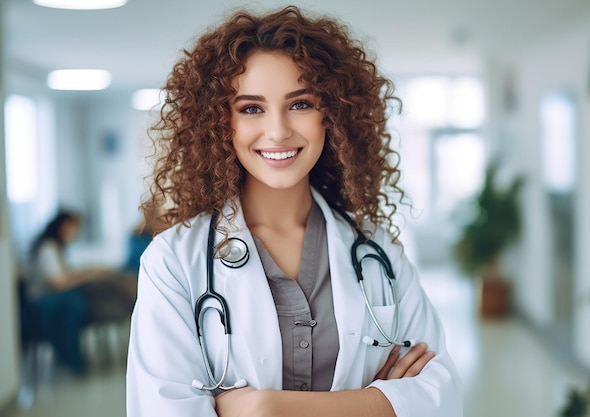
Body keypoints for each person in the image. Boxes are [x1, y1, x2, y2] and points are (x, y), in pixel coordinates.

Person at [127, 5, 462, 417]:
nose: (278, 130)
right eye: (251, 108)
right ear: (219, 123)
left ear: (332, 114)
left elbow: (440, 396)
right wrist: (378, 402)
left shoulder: (378, 251)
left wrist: (263, 407)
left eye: (300, 104)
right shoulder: (175, 261)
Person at [26, 211, 109, 373]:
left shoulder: (56, 248)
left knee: (82, 297)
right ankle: (71, 358)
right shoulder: (47, 248)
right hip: (41, 302)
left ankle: (73, 357)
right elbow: (58, 283)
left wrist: (89, 271)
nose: (75, 232)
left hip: (51, 298)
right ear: (62, 227)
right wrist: (88, 275)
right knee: (75, 302)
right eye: (72, 227)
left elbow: (65, 274)